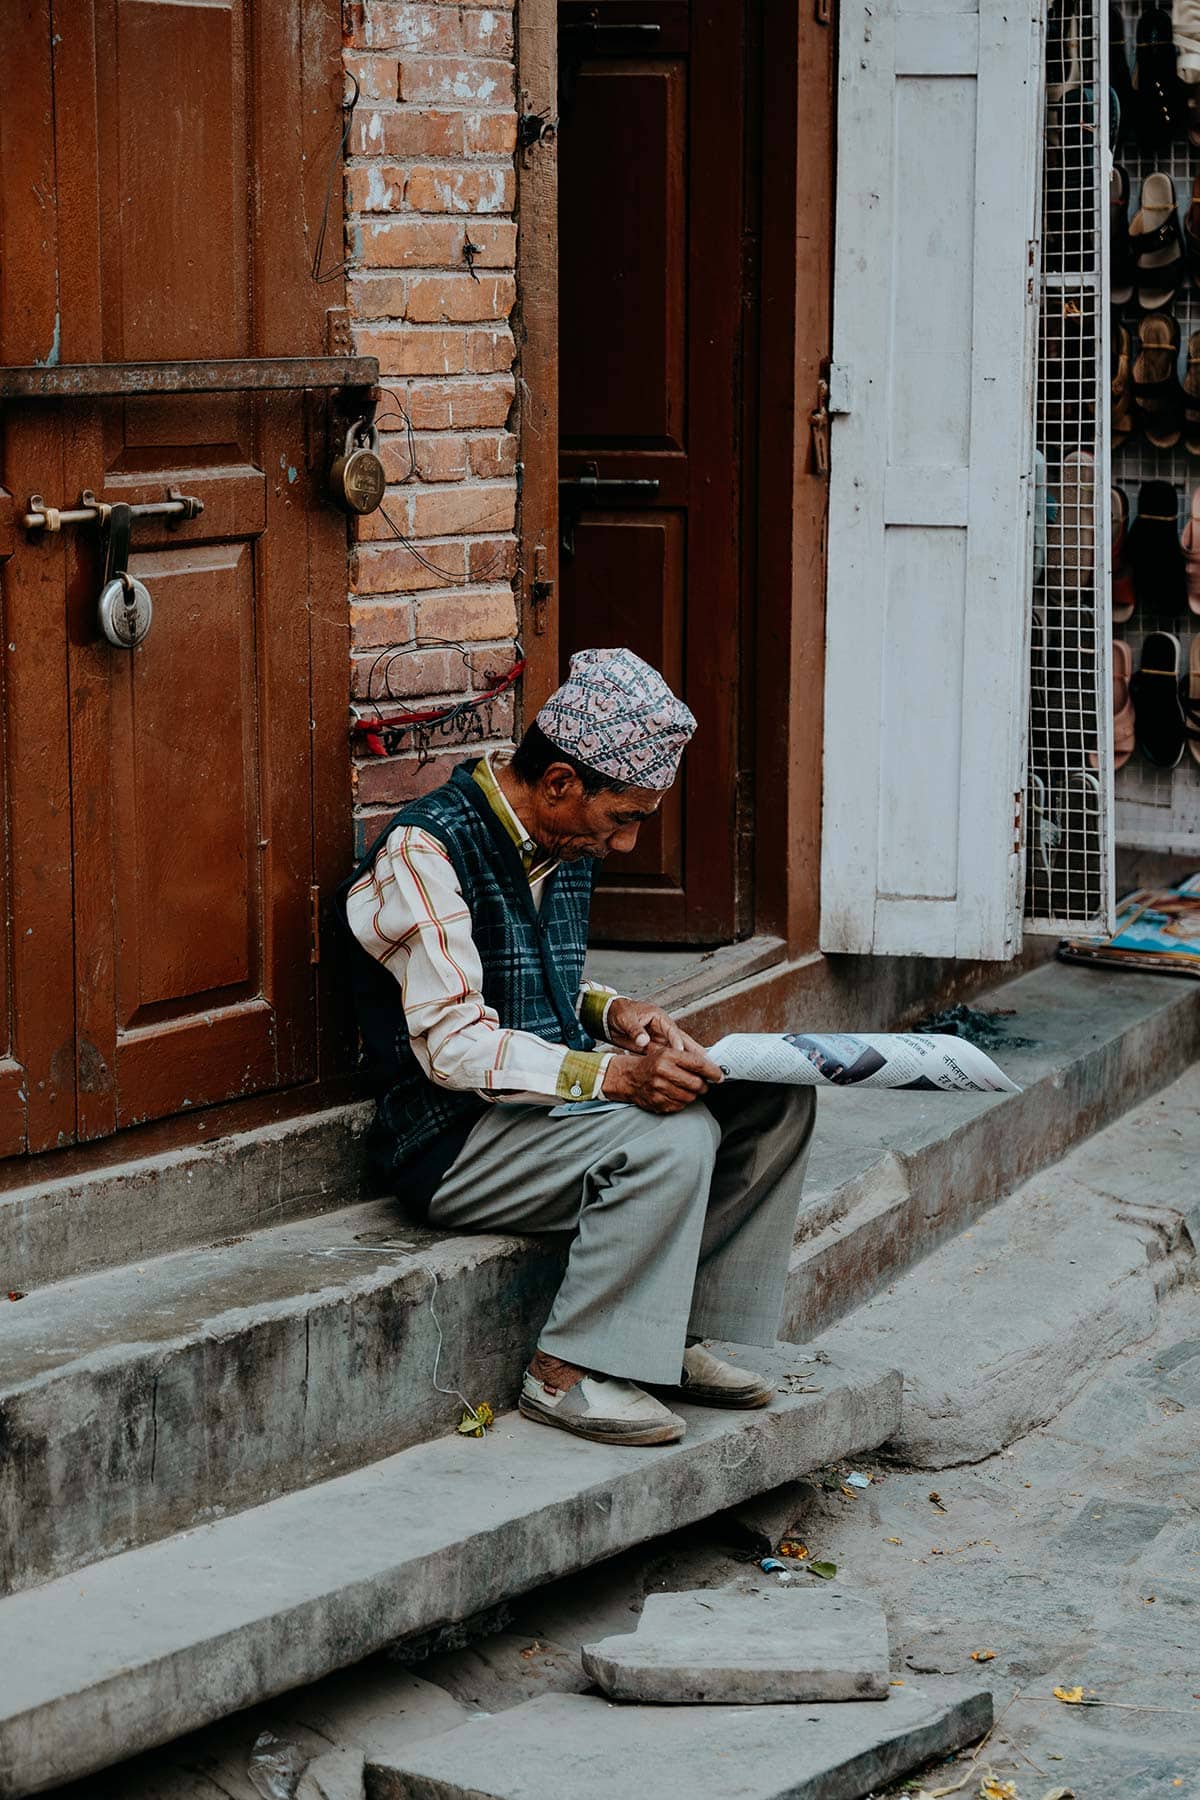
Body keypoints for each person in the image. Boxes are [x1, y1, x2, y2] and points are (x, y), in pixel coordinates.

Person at [341, 648, 816, 1448]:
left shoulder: (560, 842)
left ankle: (663, 1341)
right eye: (623, 818)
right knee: (673, 1137)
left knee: (775, 1101)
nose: (627, 844)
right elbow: (455, 1045)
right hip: (452, 1141)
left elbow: (527, 978)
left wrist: (613, 1012)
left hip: (541, 1117)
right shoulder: (425, 852)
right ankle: (564, 1374)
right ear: (561, 782)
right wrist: (617, 1076)